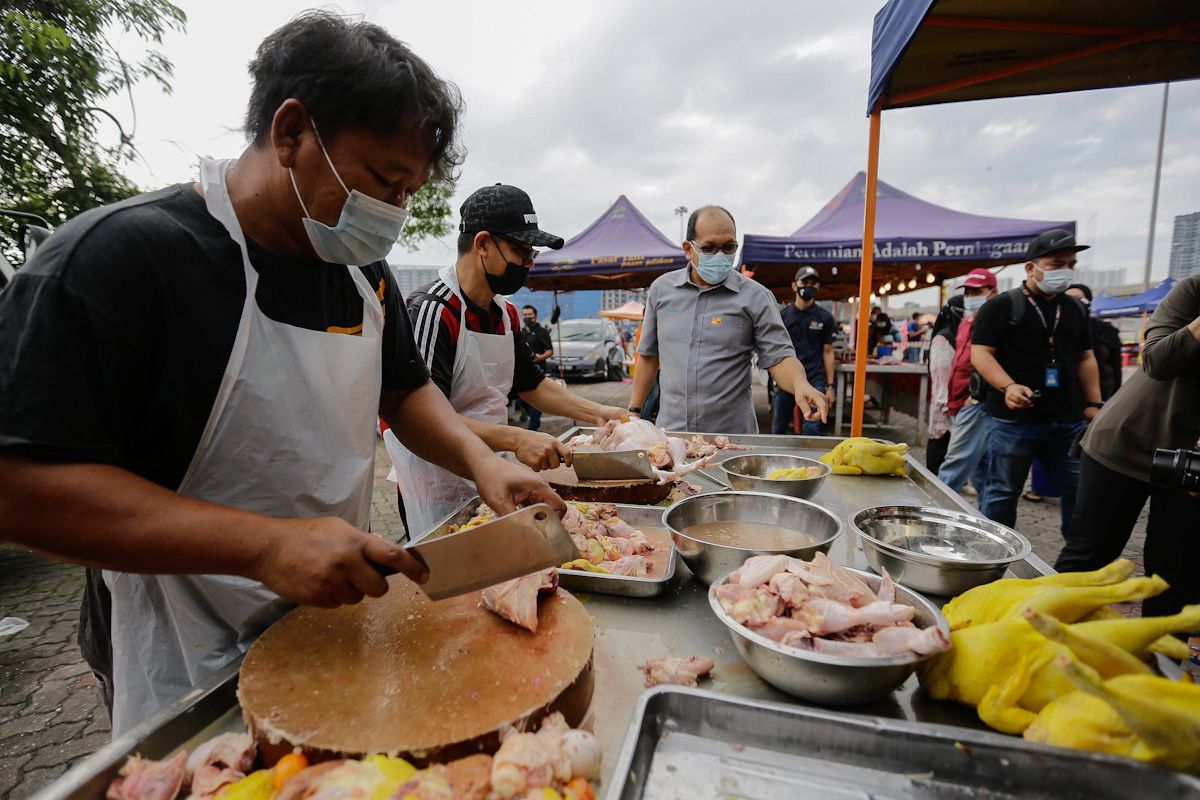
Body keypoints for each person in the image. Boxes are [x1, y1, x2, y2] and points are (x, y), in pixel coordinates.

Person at [0, 13, 564, 736]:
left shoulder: (363, 276)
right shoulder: (118, 260)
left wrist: (483, 461)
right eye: (385, 182)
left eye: (408, 193)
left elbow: (407, 391)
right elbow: (20, 490)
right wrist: (266, 546)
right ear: (292, 132)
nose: (394, 213)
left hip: (330, 618)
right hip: (181, 651)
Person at [391, 184, 626, 536]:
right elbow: (423, 420)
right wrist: (516, 439)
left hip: (493, 471)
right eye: (520, 252)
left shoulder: (506, 315)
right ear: (482, 244)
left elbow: (529, 384)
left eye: (532, 255)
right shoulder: (432, 311)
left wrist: (597, 413)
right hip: (435, 482)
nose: (528, 264)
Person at [1056, 274, 1200, 617]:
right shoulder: (1194, 290)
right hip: (1125, 442)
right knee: (1088, 559)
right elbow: (1157, 361)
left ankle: (1152, 662)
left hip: (1191, 467)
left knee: (1173, 577)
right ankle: (1035, 644)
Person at [628, 206, 827, 434]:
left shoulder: (756, 297)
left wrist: (800, 384)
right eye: (710, 248)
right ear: (688, 249)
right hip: (672, 435)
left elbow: (779, 357)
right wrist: (634, 410)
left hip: (732, 438)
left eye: (729, 247)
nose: (721, 255)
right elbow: (648, 356)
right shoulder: (661, 290)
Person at [971, 230, 1103, 534]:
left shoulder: (1075, 309)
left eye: (1071, 264)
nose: (1066, 270)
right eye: (1057, 263)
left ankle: (1078, 564)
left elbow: (1085, 357)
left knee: (1081, 492)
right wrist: (1008, 386)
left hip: (1067, 421)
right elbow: (980, 354)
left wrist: (1093, 404)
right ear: (1031, 268)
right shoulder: (1003, 305)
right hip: (1013, 422)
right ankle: (994, 560)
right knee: (1002, 493)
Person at [938, 269, 999, 495]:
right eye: (969, 292)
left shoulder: (995, 321)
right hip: (961, 399)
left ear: (993, 293)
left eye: (978, 292)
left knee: (955, 464)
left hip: (975, 402)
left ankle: (935, 514)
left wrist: (975, 396)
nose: (971, 297)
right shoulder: (967, 320)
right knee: (981, 468)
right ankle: (988, 516)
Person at [772, 266, 836, 435]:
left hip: (815, 378)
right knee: (779, 427)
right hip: (787, 380)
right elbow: (774, 350)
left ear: (818, 287)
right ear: (795, 286)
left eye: (813, 283)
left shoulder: (825, 317)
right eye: (804, 282)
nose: (808, 286)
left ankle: (809, 462)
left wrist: (830, 386)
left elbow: (828, 351)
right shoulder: (782, 316)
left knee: (812, 426)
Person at [926, 295, 964, 477]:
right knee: (941, 446)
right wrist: (946, 404)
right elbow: (940, 375)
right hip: (946, 407)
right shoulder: (944, 339)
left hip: (958, 405)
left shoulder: (962, 336)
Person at [519, 304, 554, 431]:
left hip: (538, 370)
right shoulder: (521, 332)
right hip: (523, 371)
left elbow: (550, 351)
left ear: (535, 316)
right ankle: (532, 418)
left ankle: (533, 427)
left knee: (536, 399)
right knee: (521, 399)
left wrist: (539, 357)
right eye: (525, 315)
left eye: (530, 315)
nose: (527, 317)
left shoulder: (541, 332)